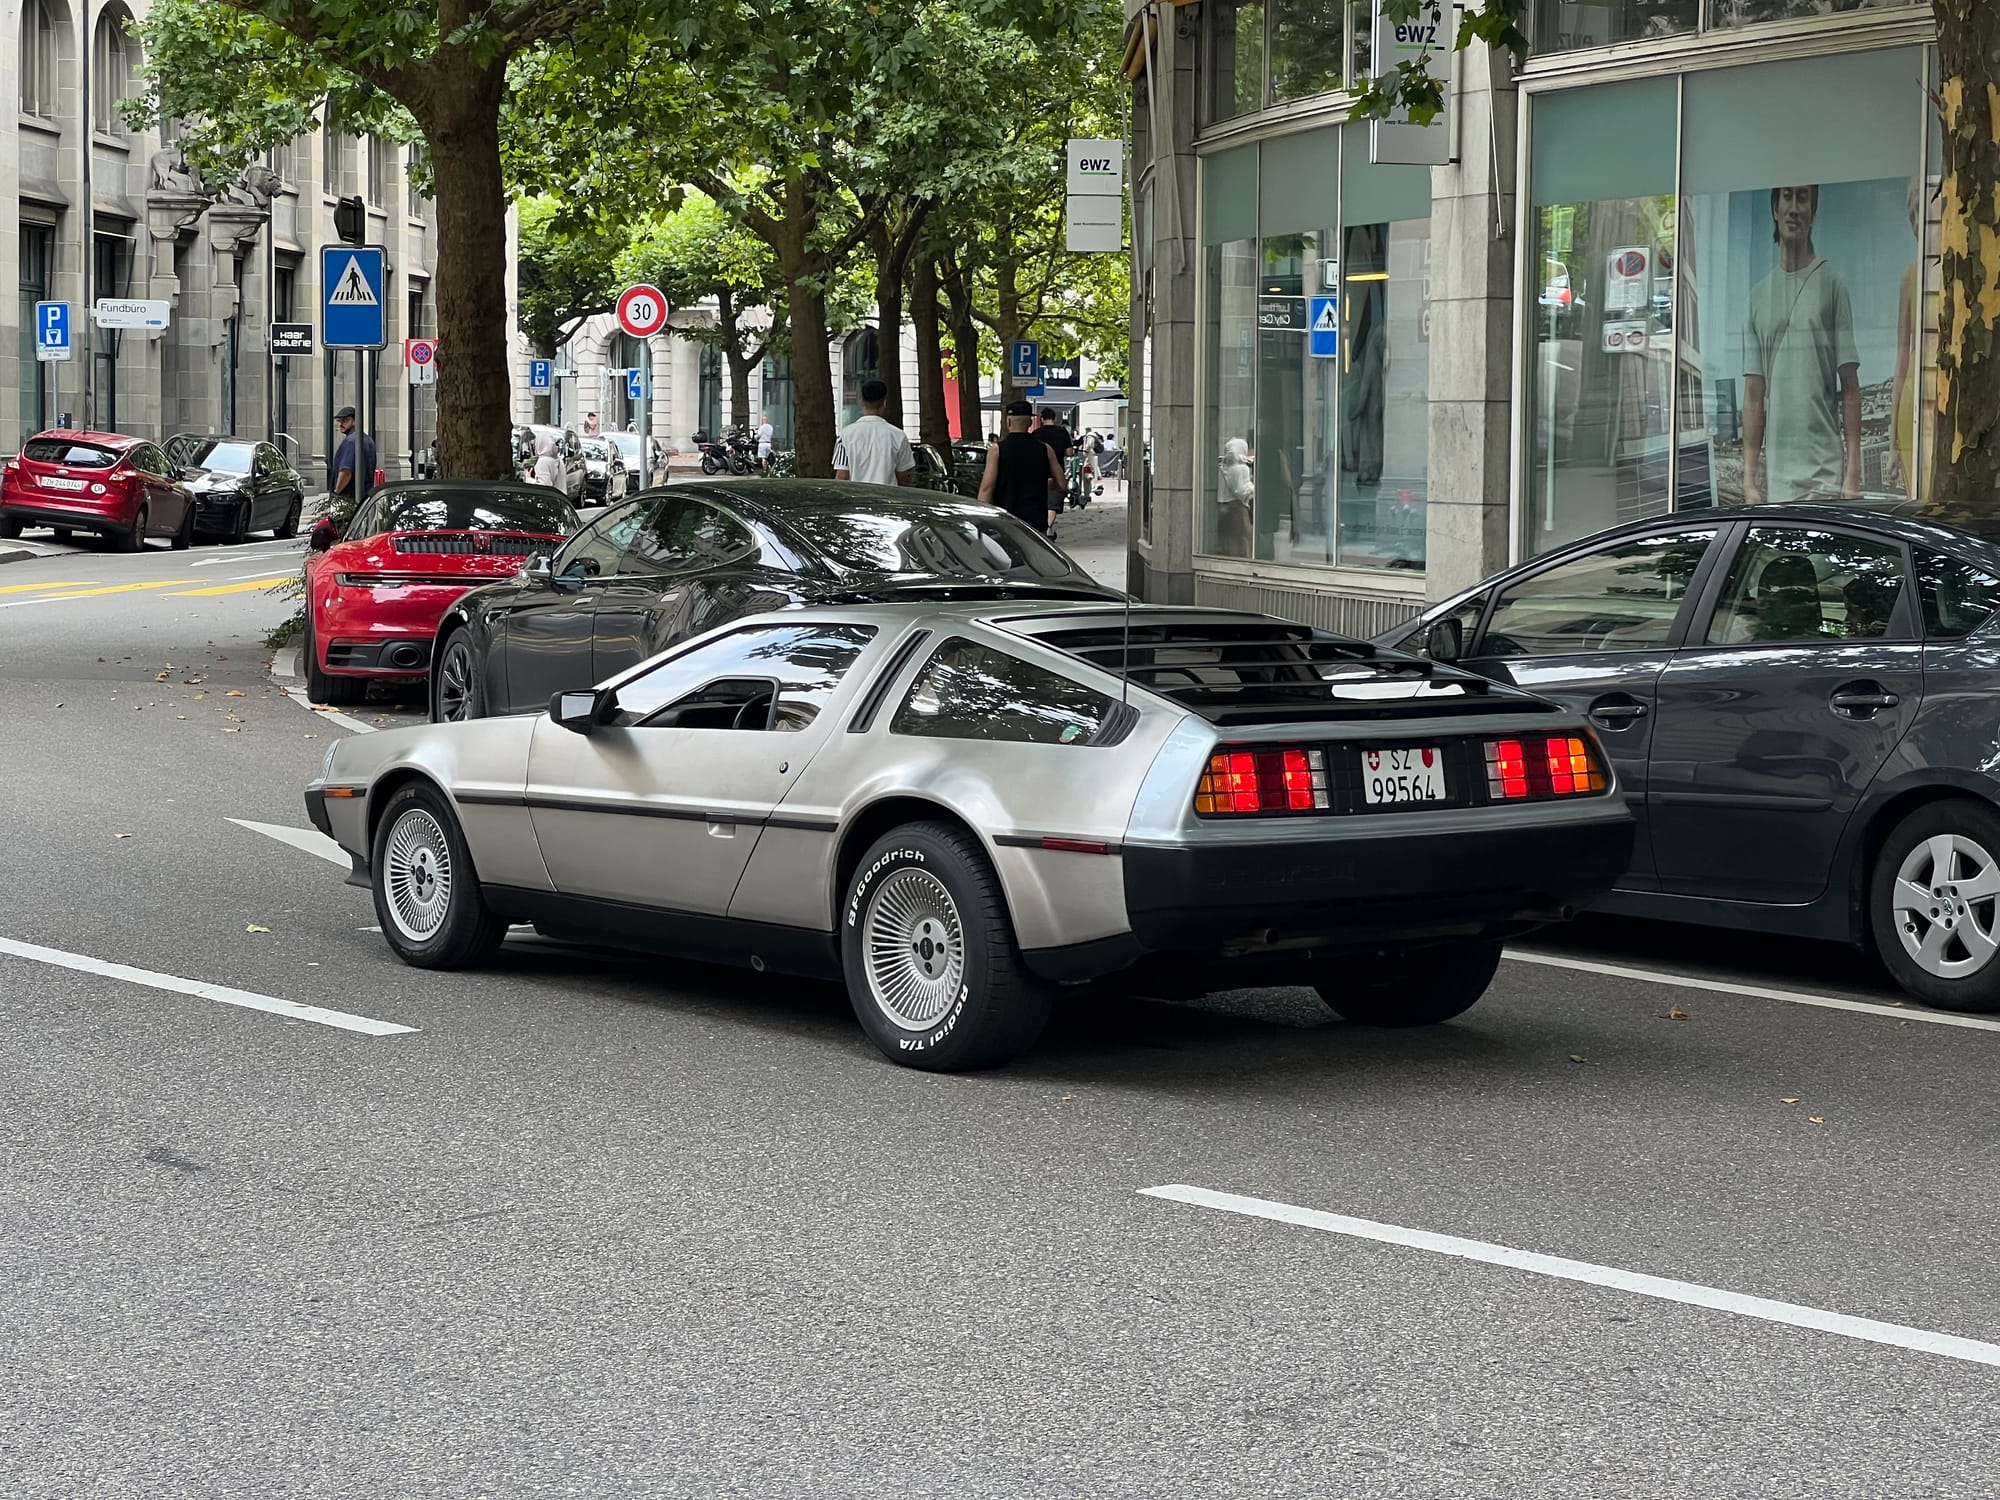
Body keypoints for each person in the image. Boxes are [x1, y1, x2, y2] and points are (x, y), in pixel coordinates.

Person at [1744, 184, 1861, 505]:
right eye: (1787, 196)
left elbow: (1849, 386)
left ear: (1813, 213)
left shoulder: (1832, 284)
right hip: (1777, 479)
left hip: (1825, 473)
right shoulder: (1758, 297)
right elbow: (1754, 396)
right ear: (1774, 208)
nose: (1794, 208)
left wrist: (1853, 473)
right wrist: (1749, 480)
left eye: (1803, 198)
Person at [979, 399, 1066, 535]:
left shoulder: (997, 450)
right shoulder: (1045, 449)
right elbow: (1061, 484)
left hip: (1005, 519)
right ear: (1030, 423)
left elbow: (987, 488)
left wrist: (981, 518)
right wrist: (1044, 484)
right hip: (1036, 521)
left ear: (1008, 422)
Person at [832, 378, 915, 486]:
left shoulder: (845, 436)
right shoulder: (898, 436)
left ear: (861, 401)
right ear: (884, 402)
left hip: (858, 499)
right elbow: (903, 477)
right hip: (887, 499)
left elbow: (842, 476)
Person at [329, 406, 376, 503]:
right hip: (365, 495)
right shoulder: (368, 440)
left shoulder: (351, 441)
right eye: (340, 421)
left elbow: (346, 471)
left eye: (345, 420)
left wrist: (336, 493)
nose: (341, 424)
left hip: (349, 497)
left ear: (355, 421)